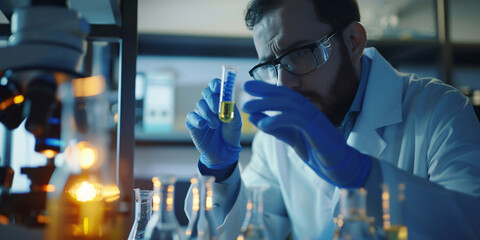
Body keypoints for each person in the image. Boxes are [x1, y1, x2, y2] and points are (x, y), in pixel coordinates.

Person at [185, 0, 480, 239]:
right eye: (271, 65)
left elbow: (470, 225)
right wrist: (220, 173)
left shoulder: (442, 110)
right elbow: (249, 232)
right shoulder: (277, 135)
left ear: (353, 41)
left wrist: (363, 175)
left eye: (300, 53)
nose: (284, 84)